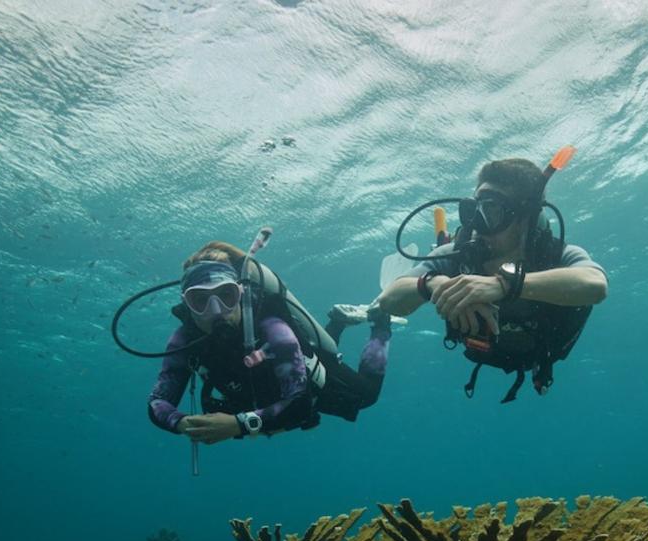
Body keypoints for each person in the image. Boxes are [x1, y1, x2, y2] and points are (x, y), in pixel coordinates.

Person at [376, 157, 608, 402]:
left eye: (492, 211)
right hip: (479, 349)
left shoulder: (554, 255)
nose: (477, 225)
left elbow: (596, 284)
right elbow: (388, 300)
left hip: (537, 353)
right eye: (474, 210)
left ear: (526, 218)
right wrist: (434, 284)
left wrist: (504, 285)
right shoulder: (458, 254)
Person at [147, 241, 392, 444]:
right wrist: (181, 423)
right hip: (264, 399)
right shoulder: (185, 340)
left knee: (367, 396)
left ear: (240, 294)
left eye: (226, 295)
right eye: (200, 300)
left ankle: (380, 322)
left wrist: (238, 424)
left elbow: (300, 403)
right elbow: (158, 402)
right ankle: (337, 322)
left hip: (305, 383)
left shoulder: (272, 328)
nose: (216, 310)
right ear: (187, 304)